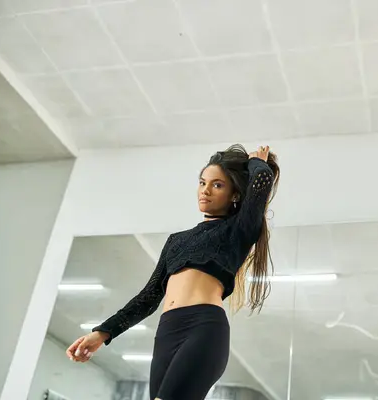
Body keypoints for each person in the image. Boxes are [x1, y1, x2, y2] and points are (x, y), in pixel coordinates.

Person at [66, 144, 279, 400]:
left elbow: (262, 182)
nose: (205, 191)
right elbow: (148, 298)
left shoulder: (238, 231)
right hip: (166, 332)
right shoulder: (176, 241)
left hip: (203, 327)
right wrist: (101, 333)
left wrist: (256, 163)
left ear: (235, 194)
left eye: (217, 185)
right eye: (202, 183)